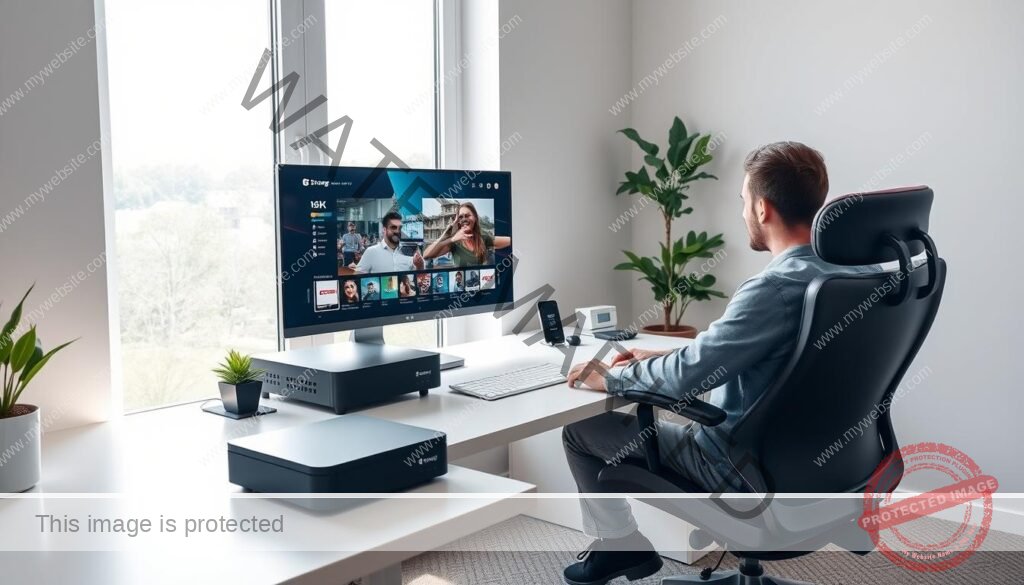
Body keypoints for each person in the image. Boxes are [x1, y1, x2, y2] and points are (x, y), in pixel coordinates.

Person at [560, 142, 875, 585]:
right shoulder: (853, 278)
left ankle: (618, 548)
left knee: (582, 430)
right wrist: (667, 355)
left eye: (744, 201)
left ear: (763, 208)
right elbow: (729, 355)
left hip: (738, 468)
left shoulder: (775, 288)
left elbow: (685, 382)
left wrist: (612, 377)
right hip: (832, 469)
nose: (743, 211)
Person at [422, 202, 511, 268]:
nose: (464, 219)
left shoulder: (484, 239)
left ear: (475, 218)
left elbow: (512, 240)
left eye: (467, 215)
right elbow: (426, 255)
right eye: (461, 217)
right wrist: (449, 236)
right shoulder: (454, 243)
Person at [354, 212, 424, 273]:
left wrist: (420, 266)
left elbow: (419, 279)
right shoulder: (371, 252)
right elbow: (357, 278)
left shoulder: (410, 252)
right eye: (393, 227)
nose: (397, 231)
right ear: (384, 230)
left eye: (400, 228)